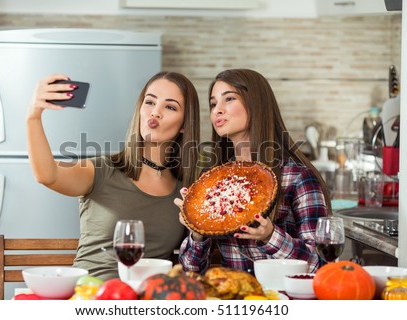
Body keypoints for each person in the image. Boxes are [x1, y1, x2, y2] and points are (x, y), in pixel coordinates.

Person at [27, 71, 200, 280]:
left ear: (184, 125)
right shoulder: (102, 170)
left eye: (170, 107)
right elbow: (48, 175)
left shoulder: (186, 191)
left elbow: (192, 261)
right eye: (150, 102)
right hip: (92, 297)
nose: (155, 112)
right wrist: (33, 116)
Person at [176, 68, 331, 275]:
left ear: (256, 104)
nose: (217, 110)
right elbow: (190, 271)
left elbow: (323, 267)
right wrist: (197, 233)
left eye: (229, 99)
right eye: (213, 104)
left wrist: (270, 236)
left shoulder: (297, 177)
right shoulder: (213, 181)